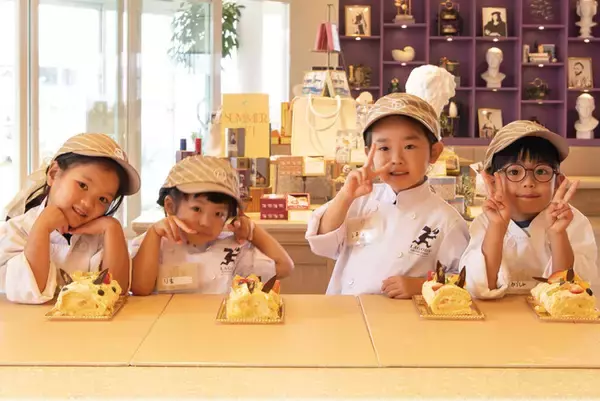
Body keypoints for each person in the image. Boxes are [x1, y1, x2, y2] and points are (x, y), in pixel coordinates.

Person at [305, 93, 469, 297]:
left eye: (409, 146)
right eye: (384, 148)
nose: (396, 159)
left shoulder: (446, 220)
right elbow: (322, 245)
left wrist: (420, 285)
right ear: (369, 154)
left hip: (400, 316)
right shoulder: (359, 201)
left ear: (434, 152)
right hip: (344, 310)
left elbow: (463, 280)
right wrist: (345, 196)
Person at [461, 120, 598, 298]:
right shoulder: (485, 222)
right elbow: (476, 287)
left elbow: (573, 291)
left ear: (558, 182)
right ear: (492, 181)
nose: (528, 183)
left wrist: (558, 234)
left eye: (541, 171)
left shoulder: (572, 222)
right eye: (514, 172)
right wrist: (497, 227)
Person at [0, 133, 140, 304]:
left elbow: (115, 291)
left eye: (103, 199)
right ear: (53, 174)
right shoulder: (15, 231)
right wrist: (42, 228)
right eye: (83, 185)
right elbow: (29, 291)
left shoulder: (100, 238)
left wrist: (113, 228)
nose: (88, 204)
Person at [130, 155, 293, 295]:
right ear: (170, 206)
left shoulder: (234, 249)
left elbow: (284, 267)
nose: (206, 222)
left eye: (218, 214)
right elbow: (140, 288)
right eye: (197, 209)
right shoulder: (154, 244)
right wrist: (153, 233)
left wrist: (253, 231)